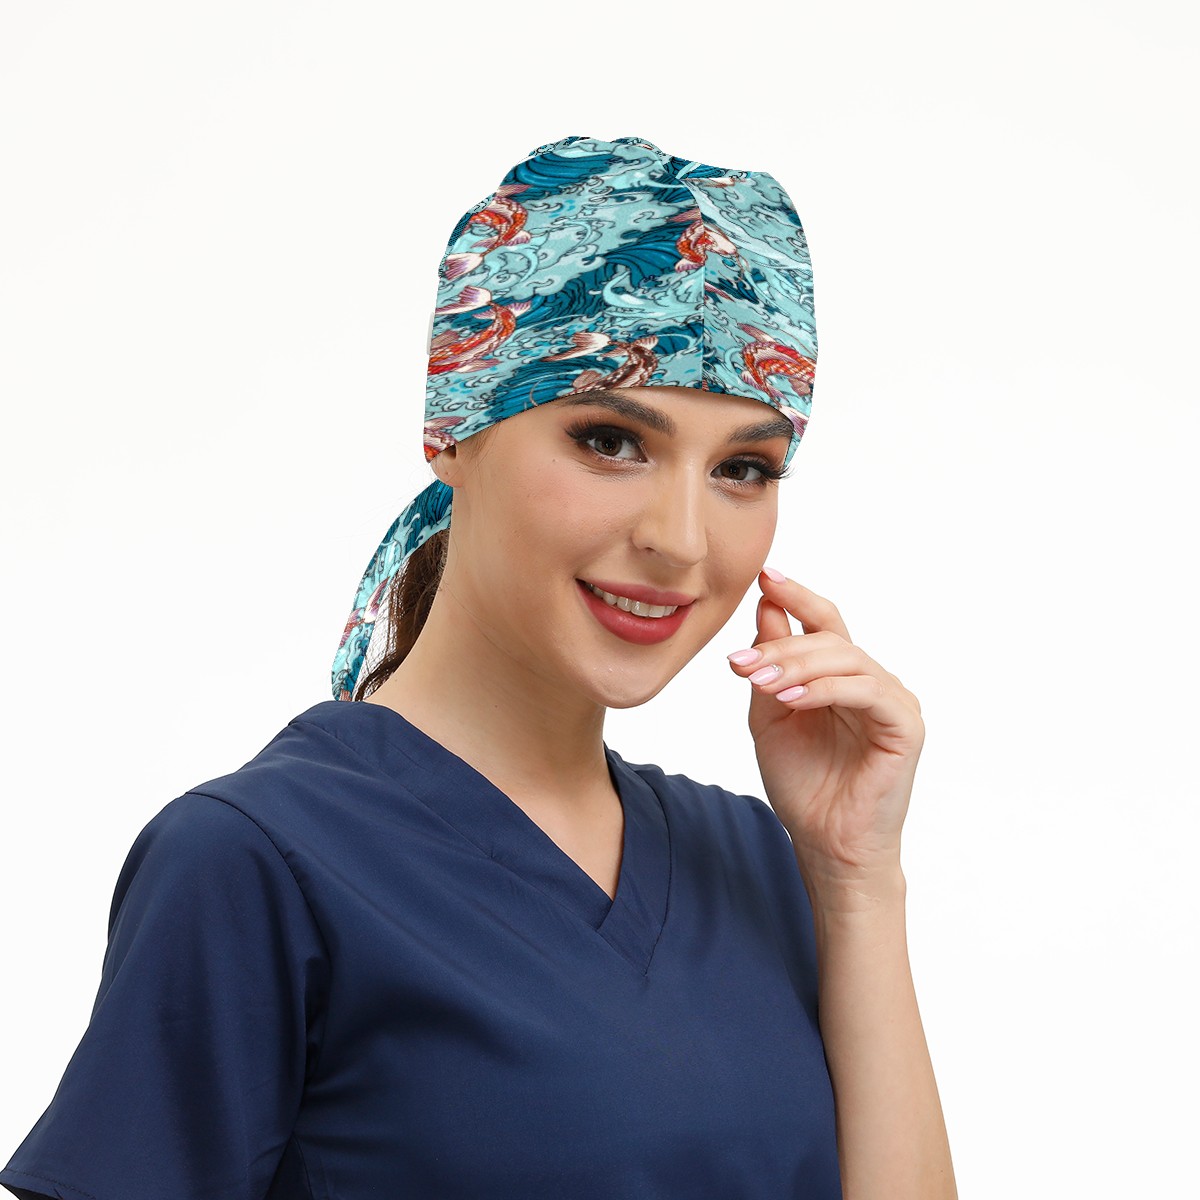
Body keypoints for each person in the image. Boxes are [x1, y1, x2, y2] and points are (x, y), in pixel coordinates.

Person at [1, 135, 957, 1199]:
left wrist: (856, 878)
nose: (682, 540)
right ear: (454, 429)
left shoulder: (750, 858)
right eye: (610, 441)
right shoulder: (255, 863)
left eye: (743, 468)